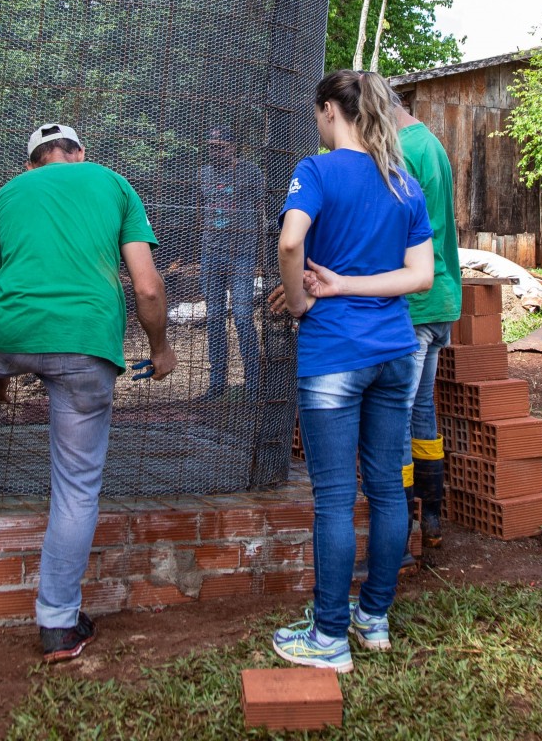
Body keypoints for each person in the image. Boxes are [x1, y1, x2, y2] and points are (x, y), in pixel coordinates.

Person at [0, 122, 175, 664]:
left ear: (32, 162)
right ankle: (58, 625)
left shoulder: (7, 193)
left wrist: (1, 371)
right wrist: (162, 347)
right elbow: (147, 285)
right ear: (79, 154)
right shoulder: (113, 183)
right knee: (77, 487)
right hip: (86, 346)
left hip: (7, 333)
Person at [271, 71, 434, 673]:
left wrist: (304, 300)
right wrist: (352, 285)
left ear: (329, 110)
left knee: (336, 499)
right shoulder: (403, 183)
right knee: (389, 489)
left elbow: (291, 245)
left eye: (318, 113)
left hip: (335, 355)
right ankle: (375, 617)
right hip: (395, 353)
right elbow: (419, 277)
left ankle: (329, 637)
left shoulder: (315, 171)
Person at [387, 84, 461, 549]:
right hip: (442, 299)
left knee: (394, 414)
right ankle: (430, 521)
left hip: (414, 304)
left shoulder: (401, 151)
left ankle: (400, 529)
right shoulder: (430, 143)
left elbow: (393, 226)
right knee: (421, 410)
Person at [197, 125, 267, 400]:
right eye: (211, 147)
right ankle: (216, 384)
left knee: (242, 316)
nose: (215, 152)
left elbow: (261, 213)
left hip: (242, 254)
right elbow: (199, 211)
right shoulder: (203, 173)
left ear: (233, 147)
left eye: (220, 147)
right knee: (214, 317)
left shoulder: (250, 172)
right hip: (211, 253)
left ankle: (252, 384)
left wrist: (261, 256)